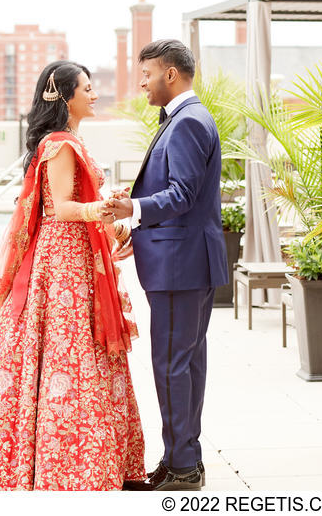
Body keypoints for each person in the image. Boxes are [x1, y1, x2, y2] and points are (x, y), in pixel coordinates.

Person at [0, 61, 145, 490]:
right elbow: (58, 208)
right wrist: (100, 208)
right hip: (61, 264)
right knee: (65, 351)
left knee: (73, 352)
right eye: (86, 87)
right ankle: (54, 465)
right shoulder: (60, 144)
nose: (94, 94)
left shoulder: (72, 141)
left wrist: (112, 221)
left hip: (74, 256)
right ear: (63, 96)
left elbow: (76, 204)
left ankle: (78, 459)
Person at [105, 39, 227, 491]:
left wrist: (131, 211)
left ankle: (181, 466)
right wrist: (138, 218)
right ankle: (182, 460)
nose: (142, 83)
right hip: (184, 262)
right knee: (186, 365)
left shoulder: (188, 123)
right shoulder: (186, 119)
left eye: (147, 74)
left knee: (174, 365)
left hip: (181, 267)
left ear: (170, 74)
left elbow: (182, 195)